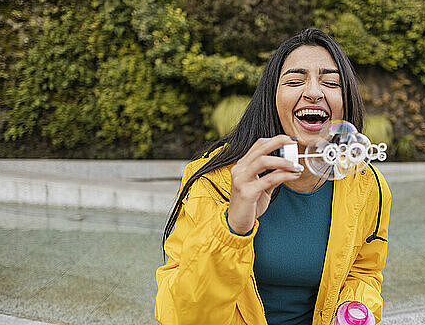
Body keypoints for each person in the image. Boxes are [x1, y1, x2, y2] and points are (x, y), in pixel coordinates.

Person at [155, 28, 392, 325]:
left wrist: (356, 308)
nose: (315, 92)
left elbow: (364, 272)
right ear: (272, 98)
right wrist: (234, 225)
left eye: (331, 83)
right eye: (294, 81)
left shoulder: (368, 186)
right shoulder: (214, 181)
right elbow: (182, 316)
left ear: (346, 102)